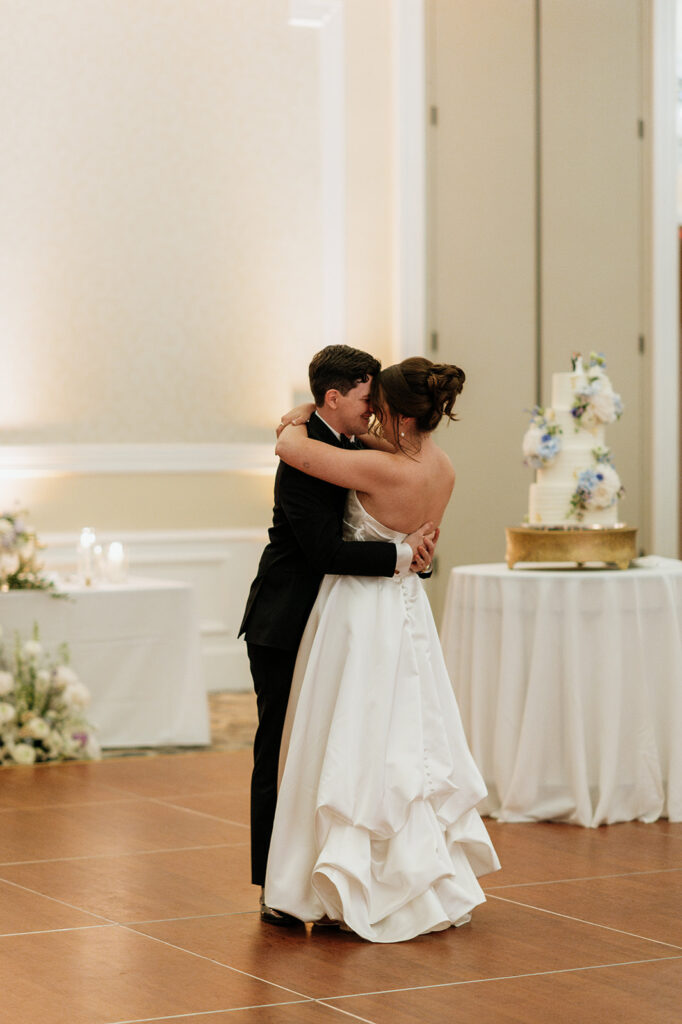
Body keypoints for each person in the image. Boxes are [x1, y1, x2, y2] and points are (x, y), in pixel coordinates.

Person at [264, 356, 500, 943]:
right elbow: (418, 544)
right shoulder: (442, 469)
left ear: (391, 411)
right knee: (407, 737)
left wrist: (299, 413)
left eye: (377, 406)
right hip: (409, 609)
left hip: (358, 612)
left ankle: (340, 881)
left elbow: (293, 449)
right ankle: (421, 875)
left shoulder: (371, 467)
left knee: (351, 736)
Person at [239, 345, 437, 925]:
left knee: (328, 754)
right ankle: (273, 885)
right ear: (334, 396)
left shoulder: (346, 446)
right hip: (287, 620)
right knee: (277, 751)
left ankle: (322, 876)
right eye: (365, 395)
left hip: (336, 626)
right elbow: (324, 550)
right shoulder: (302, 459)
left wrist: (414, 553)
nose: (374, 406)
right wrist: (402, 555)